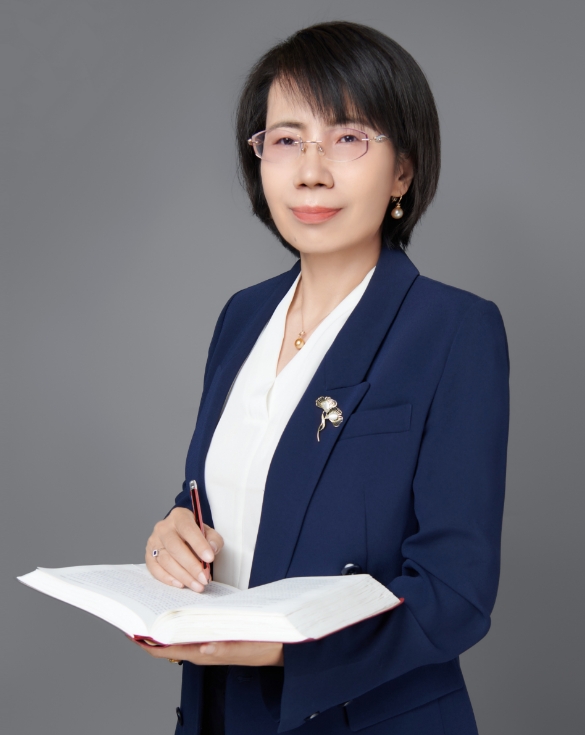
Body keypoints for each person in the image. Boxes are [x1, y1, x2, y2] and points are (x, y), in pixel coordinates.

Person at [133, 20, 510, 735]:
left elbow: (455, 592)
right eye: (285, 139)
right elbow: (250, 490)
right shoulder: (242, 316)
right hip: (219, 713)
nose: (310, 170)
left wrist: (289, 647)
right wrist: (176, 530)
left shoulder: (453, 329)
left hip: (362, 718)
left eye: (347, 138)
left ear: (402, 171)